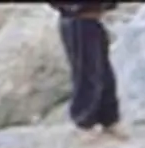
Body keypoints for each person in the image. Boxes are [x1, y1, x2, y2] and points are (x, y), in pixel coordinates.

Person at [50, 3, 123, 139]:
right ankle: (84, 121)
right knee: (87, 73)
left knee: (104, 72)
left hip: (91, 17)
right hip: (77, 18)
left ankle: (109, 118)